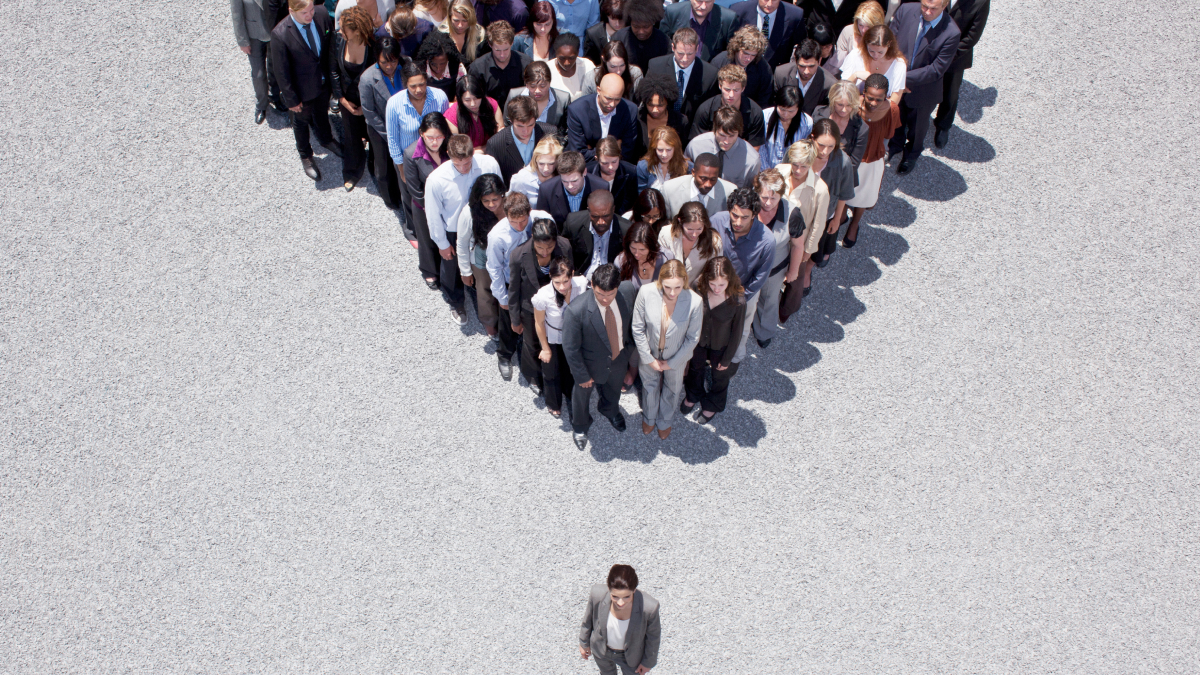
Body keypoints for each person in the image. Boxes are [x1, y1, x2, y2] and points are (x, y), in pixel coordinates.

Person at [424, 134, 503, 325]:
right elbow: (433, 215)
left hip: (486, 222)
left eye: (467, 163)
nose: (464, 168)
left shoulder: (489, 164)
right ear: (448, 155)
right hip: (454, 231)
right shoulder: (436, 179)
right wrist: (442, 243)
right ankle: (456, 302)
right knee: (451, 269)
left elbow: (500, 192)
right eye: (458, 164)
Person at [561, 264, 637, 450]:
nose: (604, 299)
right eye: (599, 293)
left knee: (614, 390)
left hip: (619, 359)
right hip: (589, 366)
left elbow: (633, 324)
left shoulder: (628, 291)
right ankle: (580, 426)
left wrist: (627, 352)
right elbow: (570, 348)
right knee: (581, 397)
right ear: (592, 285)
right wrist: (582, 375)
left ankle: (609, 410)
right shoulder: (576, 311)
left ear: (618, 287)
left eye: (610, 294)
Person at [272, 0, 345, 181]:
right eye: (304, 12)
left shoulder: (321, 14)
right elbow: (281, 71)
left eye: (311, 9)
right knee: (301, 122)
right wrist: (291, 99)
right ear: (291, 11)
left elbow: (329, 48)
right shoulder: (280, 34)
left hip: (323, 84)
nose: (310, 15)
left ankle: (326, 139)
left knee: (321, 112)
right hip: (302, 91)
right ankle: (305, 154)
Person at [887, 0, 960, 174]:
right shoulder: (905, 10)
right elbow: (890, 43)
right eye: (924, 6)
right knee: (896, 117)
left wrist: (903, 79)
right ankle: (895, 144)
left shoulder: (951, 33)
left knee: (917, 128)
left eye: (933, 9)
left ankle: (912, 154)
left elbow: (936, 69)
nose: (927, 12)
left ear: (945, 5)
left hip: (923, 91)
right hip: (898, 84)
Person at [631, 259, 703, 438]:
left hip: (677, 357)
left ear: (684, 281)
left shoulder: (695, 301)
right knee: (649, 387)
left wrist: (673, 363)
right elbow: (637, 328)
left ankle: (665, 421)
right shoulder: (646, 292)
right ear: (660, 280)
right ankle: (649, 418)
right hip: (649, 353)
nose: (672, 292)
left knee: (673, 389)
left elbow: (693, 338)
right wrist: (648, 358)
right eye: (667, 287)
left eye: (677, 287)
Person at [487, 194, 555, 379]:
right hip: (512, 283)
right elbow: (494, 268)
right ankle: (504, 355)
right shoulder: (497, 236)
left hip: (538, 279)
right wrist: (503, 298)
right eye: (513, 222)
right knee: (508, 322)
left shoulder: (544, 219)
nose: (519, 226)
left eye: (523, 220)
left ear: (529, 212)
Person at [709, 188, 774, 363]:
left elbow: (761, 276)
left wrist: (741, 297)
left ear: (754, 215)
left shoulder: (767, 240)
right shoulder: (716, 221)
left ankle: (734, 359)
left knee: (742, 328)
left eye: (744, 217)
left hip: (744, 291)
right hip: (713, 286)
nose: (738, 222)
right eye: (734, 215)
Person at [508, 218, 574, 392]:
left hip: (558, 304)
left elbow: (569, 276)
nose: (545, 252)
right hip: (531, 308)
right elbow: (513, 290)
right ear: (532, 238)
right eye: (540, 248)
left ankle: (558, 376)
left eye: (550, 247)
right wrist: (515, 319)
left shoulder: (565, 246)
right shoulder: (518, 256)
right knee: (532, 344)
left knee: (557, 341)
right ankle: (534, 376)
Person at [681, 255, 746, 423]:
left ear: (730, 280)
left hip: (721, 345)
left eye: (722, 285)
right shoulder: (698, 287)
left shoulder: (738, 300)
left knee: (720, 376)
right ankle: (693, 395)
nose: (717, 289)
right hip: (699, 341)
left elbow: (737, 333)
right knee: (695, 369)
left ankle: (713, 404)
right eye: (713, 284)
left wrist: (727, 359)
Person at [388, 62, 449, 230]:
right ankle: (413, 229)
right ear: (405, 85)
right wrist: (401, 168)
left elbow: (446, 127)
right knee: (411, 197)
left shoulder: (440, 97)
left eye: (422, 84)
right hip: (409, 160)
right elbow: (392, 139)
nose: (418, 90)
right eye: (413, 86)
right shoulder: (394, 104)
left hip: (436, 155)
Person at [842, 74, 900, 247]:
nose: (874, 103)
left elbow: (889, 134)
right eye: (870, 98)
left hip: (873, 158)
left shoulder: (892, 110)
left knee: (865, 195)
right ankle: (842, 215)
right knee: (844, 190)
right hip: (851, 157)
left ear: (886, 96)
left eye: (879, 99)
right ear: (864, 93)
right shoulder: (852, 106)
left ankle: (854, 224)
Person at [777, 140, 829, 313]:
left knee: (794, 281)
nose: (798, 170)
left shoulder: (820, 190)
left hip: (798, 243)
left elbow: (818, 224)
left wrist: (808, 251)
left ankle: (786, 311)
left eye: (804, 167)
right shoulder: (779, 171)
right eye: (795, 165)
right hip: (777, 237)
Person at [579, 565, 661, 674]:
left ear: (634, 590)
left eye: (627, 597)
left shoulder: (649, 608)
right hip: (602, 651)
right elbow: (588, 620)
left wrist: (648, 662)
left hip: (631, 656)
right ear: (609, 589)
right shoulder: (597, 594)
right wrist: (584, 643)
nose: (620, 603)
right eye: (615, 597)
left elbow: (653, 637)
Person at [533, 258, 589, 418]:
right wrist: (545, 348)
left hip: (574, 336)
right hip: (554, 337)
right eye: (557, 282)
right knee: (551, 372)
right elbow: (539, 322)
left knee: (571, 370)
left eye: (566, 281)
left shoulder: (581, 284)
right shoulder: (543, 296)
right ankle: (553, 402)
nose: (562, 287)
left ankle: (570, 394)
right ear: (550, 277)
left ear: (572, 274)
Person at [405, 112, 455, 290]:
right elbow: (414, 188)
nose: (435, 142)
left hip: (449, 203)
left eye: (439, 137)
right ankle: (429, 270)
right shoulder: (411, 154)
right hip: (424, 206)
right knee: (427, 239)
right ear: (421, 133)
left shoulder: (450, 147)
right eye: (430, 137)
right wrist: (432, 208)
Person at [932, 0, 990, 149]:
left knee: (950, 92)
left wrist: (947, 55)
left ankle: (943, 125)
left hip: (955, 57)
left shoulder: (981, 2)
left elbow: (972, 36)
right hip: (929, 48)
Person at [456, 173, 508, 338]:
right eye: (486, 201)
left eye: (495, 199)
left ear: (502, 194)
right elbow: (462, 243)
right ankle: (490, 323)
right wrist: (465, 271)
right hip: (482, 257)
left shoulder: (510, 205)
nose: (491, 204)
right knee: (485, 291)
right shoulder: (469, 213)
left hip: (506, 255)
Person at [358, 36, 407, 209]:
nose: (389, 66)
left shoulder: (407, 67)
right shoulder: (367, 79)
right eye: (384, 62)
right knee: (384, 166)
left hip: (405, 125)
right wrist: (389, 133)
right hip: (380, 129)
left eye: (393, 61)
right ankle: (389, 198)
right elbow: (369, 112)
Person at [331, 6, 377, 190]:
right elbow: (333, 70)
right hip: (347, 99)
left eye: (343, 28)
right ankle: (353, 170)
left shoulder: (374, 46)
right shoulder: (337, 40)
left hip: (369, 100)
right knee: (351, 136)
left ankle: (375, 166)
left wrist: (366, 108)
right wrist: (341, 99)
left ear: (357, 31)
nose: (339, 30)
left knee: (373, 133)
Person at [745, 168, 792, 347]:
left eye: (774, 198)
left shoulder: (792, 212)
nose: (768, 203)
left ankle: (764, 332)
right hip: (747, 269)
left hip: (774, 270)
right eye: (764, 197)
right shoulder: (746, 205)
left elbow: (798, 245)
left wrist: (793, 271)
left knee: (769, 302)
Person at [803, 118, 855, 267]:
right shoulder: (800, 153)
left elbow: (844, 194)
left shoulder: (843, 162)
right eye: (821, 145)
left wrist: (837, 219)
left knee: (818, 247)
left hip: (825, 214)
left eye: (831, 146)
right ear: (812, 138)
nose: (825, 151)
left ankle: (808, 270)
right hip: (801, 211)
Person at [645, 28, 719, 132]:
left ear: (697, 49)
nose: (685, 59)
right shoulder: (656, 67)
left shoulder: (710, 74)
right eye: (680, 53)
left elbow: (710, 110)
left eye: (690, 54)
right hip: (661, 129)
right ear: (673, 47)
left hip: (692, 132)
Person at [565, 74, 640, 163]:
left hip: (617, 166)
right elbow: (578, 153)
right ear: (598, 90)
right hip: (587, 167)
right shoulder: (578, 110)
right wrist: (613, 149)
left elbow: (627, 152)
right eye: (608, 98)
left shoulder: (630, 110)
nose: (612, 104)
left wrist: (591, 150)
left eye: (617, 99)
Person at [486, 95, 560, 184]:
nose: (526, 131)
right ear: (511, 120)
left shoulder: (550, 133)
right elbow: (494, 181)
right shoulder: (496, 144)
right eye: (520, 126)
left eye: (530, 125)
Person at [690, 65, 767, 147]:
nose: (731, 95)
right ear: (720, 86)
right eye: (727, 89)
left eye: (736, 90)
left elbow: (754, 149)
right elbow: (698, 144)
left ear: (743, 88)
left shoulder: (755, 113)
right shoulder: (705, 110)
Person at [685, 106, 761, 189]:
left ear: (739, 132)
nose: (726, 141)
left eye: (732, 136)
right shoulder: (695, 146)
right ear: (714, 129)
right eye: (722, 135)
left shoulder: (751, 160)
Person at [232, 0, 282, 124]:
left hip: (273, 31)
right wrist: (242, 41)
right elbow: (237, 14)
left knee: (275, 67)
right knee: (258, 74)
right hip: (254, 34)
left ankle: (275, 96)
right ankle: (262, 104)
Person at [564, 190, 632, 277]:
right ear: (589, 211)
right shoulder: (573, 224)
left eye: (606, 216)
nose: (601, 222)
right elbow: (564, 252)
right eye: (595, 216)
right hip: (581, 278)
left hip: (612, 279)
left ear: (613, 209)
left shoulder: (626, 230)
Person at [537, 151, 607, 229]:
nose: (570, 186)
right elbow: (541, 225)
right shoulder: (546, 190)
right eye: (565, 181)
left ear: (584, 172)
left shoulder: (601, 187)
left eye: (574, 181)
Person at [657, 201, 723, 284]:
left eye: (699, 229)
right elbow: (659, 266)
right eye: (690, 229)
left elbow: (715, 271)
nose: (694, 234)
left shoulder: (714, 241)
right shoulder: (666, 234)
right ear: (680, 221)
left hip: (695, 288)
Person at [839, 24, 906, 105]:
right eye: (871, 51)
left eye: (880, 52)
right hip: (853, 106)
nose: (875, 56)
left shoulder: (898, 64)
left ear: (889, 45)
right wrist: (855, 75)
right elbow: (842, 89)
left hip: (882, 110)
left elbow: (895, 98)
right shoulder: (855, 55)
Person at [468, 21, 533, 104]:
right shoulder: (477, 68)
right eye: (497, 50)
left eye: (506, 49)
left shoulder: (526, 64)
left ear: (512, 43)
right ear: (490, 45)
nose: (502, 55)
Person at [730, 0, 805, 70]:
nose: (769, 4)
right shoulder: (738, 11)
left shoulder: (795, 15)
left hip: (774, 72)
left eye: (774, 0)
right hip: (741, 71)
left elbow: (801, 46)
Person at [710, 25, 772, 108]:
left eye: (753, 55)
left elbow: (764, 99)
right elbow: (711, 94)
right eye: (745, 53)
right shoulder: (719, 62)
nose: (748, 58)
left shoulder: (763, 68)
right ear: (737, 47)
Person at [660, 153, 737, 218]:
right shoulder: (669, 189)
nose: (708, 184)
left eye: (713, 179)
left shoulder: (730, 191)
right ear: (693, 172)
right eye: (703, 179)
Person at [659, 0, 740, 62]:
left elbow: (729, 54)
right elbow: (663, 47)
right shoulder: (672, 12)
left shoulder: (728, 19)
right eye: (699, 1)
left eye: (708, 2)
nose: (703, 6)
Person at [772, 38, 835, 117]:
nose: (806, 71)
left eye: (811, 66)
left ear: (819, 61)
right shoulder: (781, 75)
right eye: (802, 66)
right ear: (796, 61)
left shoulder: (830, 84)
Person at [813, 81, 867, 169]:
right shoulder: (818, 113)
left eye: (849, 105)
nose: (844, 110)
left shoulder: (861, 128)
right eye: (840, 104)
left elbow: (853, 164)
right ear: (833, 100)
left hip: (839, 172)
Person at [505, 61, 570, 131]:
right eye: (532, 86)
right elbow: (507, 125)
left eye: (542, 86)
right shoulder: (514, 96)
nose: (537, 91)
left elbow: (567, 130)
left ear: (549, 83)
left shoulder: (563, 100)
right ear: (526, 84)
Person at [759, 84, 812, 170]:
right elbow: (760, 149)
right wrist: (768, 172)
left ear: (798, 108)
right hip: (766, 171)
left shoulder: (807, 123)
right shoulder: (764, 117)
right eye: (782, 109)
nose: (785, 114)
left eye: (791, 111)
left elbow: (803, 153)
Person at [633, 76, 683, 163]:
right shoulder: (637, 118)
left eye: (660, 105)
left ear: (667, 102)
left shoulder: (679, 120)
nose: (655, 110)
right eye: (650, 105)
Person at [611, 0, 670, 73]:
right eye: (636, 27)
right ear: (630, 23)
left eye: (646, 27)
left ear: (653, 22)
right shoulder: (619, 38)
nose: (641, 31)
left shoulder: (663, 41)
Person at [827, 0, 884, 76]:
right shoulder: (848, 32)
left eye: (868, 26)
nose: (863, 30)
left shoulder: (884, 37)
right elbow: (836, 64)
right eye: (861, 25)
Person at [446, 76, 504, 149]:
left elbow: (501, 136)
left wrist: (484, 149)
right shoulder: (452, 116)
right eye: (467, 100)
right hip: (468, 154)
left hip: (493, 150)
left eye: (476, 98)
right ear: (460, 99)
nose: (473, 104)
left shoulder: (492, 105)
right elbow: (458, 148)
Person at [588, 137, 639, 216]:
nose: (610, 167)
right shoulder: (588, 172)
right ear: (597, 159)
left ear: (619, 157)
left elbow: (631, 201)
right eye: (605, 163)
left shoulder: (630, 172)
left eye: (614, 161)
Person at [509, 135, 564, 208]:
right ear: (535, 160)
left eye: (551, 164)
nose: (546, 169)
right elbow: (513, 208)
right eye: (541, 163)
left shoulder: (562, 176)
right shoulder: (521, 179)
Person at [414, 30, 466, 102]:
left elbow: (464, 91)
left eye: (442, 63)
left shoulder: (458, 68)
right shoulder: (419, 70)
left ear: (448, 59)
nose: (438, 68)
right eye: (433, 64)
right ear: (428, 60)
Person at [615, 222, 670, 289]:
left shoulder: (667, 257)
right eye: (633, 248)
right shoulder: (620, 261)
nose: (636, 254)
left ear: (651, 247)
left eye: (642, 250)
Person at [637, 126, 688, 193]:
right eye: (660, 150)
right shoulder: (643, 166)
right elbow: (642, 194)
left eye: (669, 150)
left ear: (675, 149)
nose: (664, 155)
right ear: (654, 148)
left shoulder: (686, 166)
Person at [549, 33, 598, 101]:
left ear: (578, 53)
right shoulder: (547, 69)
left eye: (571, 58)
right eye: (562, 58)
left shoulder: (587, 66)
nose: (567, 63)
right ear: (555, 53)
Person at [442, 0, 486, 66]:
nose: (460, 25)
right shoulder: (441, 33)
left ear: (471, 19)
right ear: (450, 18)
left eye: (465, 21)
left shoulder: (480, 35)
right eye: (456, 20)